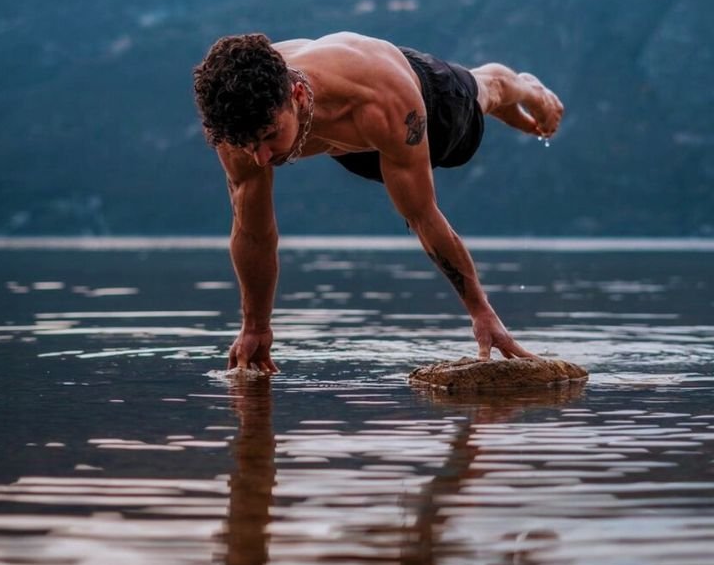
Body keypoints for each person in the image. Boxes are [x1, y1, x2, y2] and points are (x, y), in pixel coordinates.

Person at [193, 32, 564, 374]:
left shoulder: (382, 99)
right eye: (247, 145)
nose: (259, 158)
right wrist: (255, 326)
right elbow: (254, 233)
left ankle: (518, 86)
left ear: (299, 96)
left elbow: (421, 215)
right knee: (269, 154)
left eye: (268, 137)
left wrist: (481, 312)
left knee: (484, 94)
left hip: (424, 104)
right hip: (346, 139)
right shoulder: (239, 127)